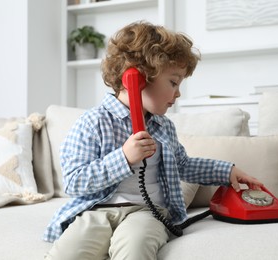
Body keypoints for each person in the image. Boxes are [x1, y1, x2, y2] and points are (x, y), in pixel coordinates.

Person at [43, 21, 263, 260]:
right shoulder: (93, 122)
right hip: (96, 211)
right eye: (173, 82)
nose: (178, 93)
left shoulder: (163, 126)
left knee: (136, 248)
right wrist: (124, 158)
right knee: (67, 254)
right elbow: (75, 182)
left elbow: (184, 166)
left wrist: (227, 171)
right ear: (136, 77)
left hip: (147, 212)